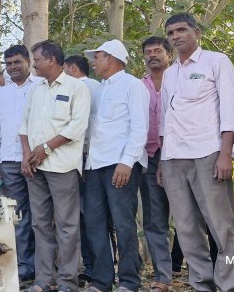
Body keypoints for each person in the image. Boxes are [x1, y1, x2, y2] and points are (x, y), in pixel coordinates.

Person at [158, 13, 234, 291]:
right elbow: (166, 119)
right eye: (171, 33)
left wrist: (226, 153)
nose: (176, 36)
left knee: (221, 226)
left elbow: (229, 109)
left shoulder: (216, 61)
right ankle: (201, 284)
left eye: (181, 30)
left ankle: (228, 286)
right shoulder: (169, 74)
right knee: (186, 228)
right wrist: (161, 160)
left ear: (196, 32)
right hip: (172, 158)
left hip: (208, 153)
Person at [19, 41, 90, 292]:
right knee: (40, 224)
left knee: (67, 225)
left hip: (63, 166)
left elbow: (77, 127)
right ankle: (43, 280)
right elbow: (24, 125)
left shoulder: (76, 87)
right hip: (35, 168)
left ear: (50, 59)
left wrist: (46, 148)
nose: (34, 64)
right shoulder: (36, 90)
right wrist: (27, 155)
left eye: (36, 59)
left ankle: (67, 281)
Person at [82, 40, 149, 292]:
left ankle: (130, 281)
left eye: (97, 57)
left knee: (123, 223)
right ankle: (102, 280)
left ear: (110, 58)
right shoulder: (98, 89)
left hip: (120, 165)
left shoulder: (133, 86)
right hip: (95, 165)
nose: (94, 62)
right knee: (95, 223)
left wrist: (127, 162)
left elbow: (140, 127)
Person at [0, 45, 40, 283]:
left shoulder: (41, 87)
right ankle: (24, 266)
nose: (13, 67)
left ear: (28, 61)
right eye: (9, 64)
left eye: (17, 62)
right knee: (17, 216)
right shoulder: (1, 94)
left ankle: (46, 267)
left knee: (41, 216)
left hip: (38, 161)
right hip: (8, 161)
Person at [62, 54, 103, 286]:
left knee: (86, 215)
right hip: (90, 155)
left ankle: (93, 266)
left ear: (72, 68)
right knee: (91, 215)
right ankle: (95, 266)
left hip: (82, 155)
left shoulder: (81, 86)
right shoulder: (97, 86)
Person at [139, 36, 175, 291]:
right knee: (154, 220)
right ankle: (163, 277)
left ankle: (207, 272)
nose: (153, 55)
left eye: (158, 50)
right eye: (148, 52)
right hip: (150, 158)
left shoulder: (181, 79)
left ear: (169, 55)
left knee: (192, 217)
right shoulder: (138, 86)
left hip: (182, 155)